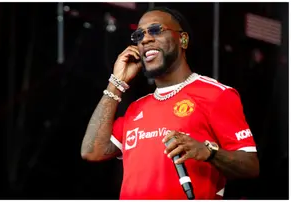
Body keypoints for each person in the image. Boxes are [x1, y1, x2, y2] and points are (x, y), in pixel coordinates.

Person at [80, 7, 259, 200]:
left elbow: (250, 165)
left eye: (156, 30)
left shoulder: (216, 94)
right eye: (139, 35)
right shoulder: (136, 108)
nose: (145, 39)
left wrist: (209, 152)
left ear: (182, 39)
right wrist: (116, 82)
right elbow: (92, 151)